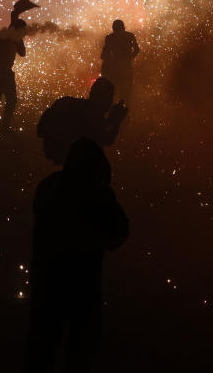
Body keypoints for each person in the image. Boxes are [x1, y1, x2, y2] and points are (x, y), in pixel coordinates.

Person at [26, 139, 129, 372]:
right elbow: (120, 231)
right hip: (78, 284)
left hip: (51, 281)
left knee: (43, 348)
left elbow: (120, 230)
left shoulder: (50, 186)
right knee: (76, 350)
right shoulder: (95, 192)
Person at [37, 77, 128, 165]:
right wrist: (115, 121)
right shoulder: (76, 109)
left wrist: (114, 121)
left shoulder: (69, 103)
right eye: (110, 97)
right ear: (104, 99)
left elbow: (104, 137)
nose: (111, 102)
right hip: (70, 165)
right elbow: (104, 138)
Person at [100, 20, 140, 102]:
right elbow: (136, 50)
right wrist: (129, 58)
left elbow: (104, 54)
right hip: (124, 68)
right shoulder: (129, 36)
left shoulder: (110, 37)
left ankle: (116, 110)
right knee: (125, 93)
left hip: (116, 69)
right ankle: (124, 110)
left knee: (115, 92)